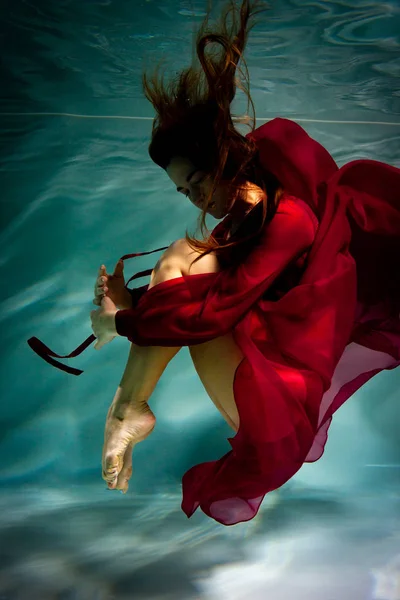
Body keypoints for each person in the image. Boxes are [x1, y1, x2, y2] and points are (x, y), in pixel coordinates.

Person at [28, 0, 399, 526]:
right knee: (185, 258)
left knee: (184, 256)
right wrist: (132, 305)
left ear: (225, 159)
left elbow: (212, 316)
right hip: (258, 393)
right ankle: (128, 409)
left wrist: (121, 321)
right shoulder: (238, 226)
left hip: (277, 422)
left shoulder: (289, 219)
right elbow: (196, 302)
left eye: (198, 184)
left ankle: (126, 409)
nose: (197, 201)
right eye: (184, 193)